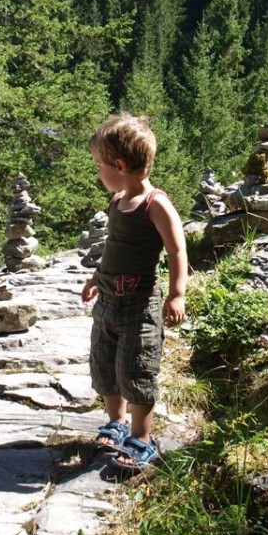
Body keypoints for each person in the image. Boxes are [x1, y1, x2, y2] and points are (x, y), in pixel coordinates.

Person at [81, 114, 188, 472]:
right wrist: (98, 276)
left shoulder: (155, 204)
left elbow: (176, 250)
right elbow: (116, 247)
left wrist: (176, 295)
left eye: (99, 165)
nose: (98, 173)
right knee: (105, 366)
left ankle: (142, 438)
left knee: (137, 371)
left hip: (140, 305)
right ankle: (117, 421)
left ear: (120, 165)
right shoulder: (118, 201)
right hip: (108, 301)